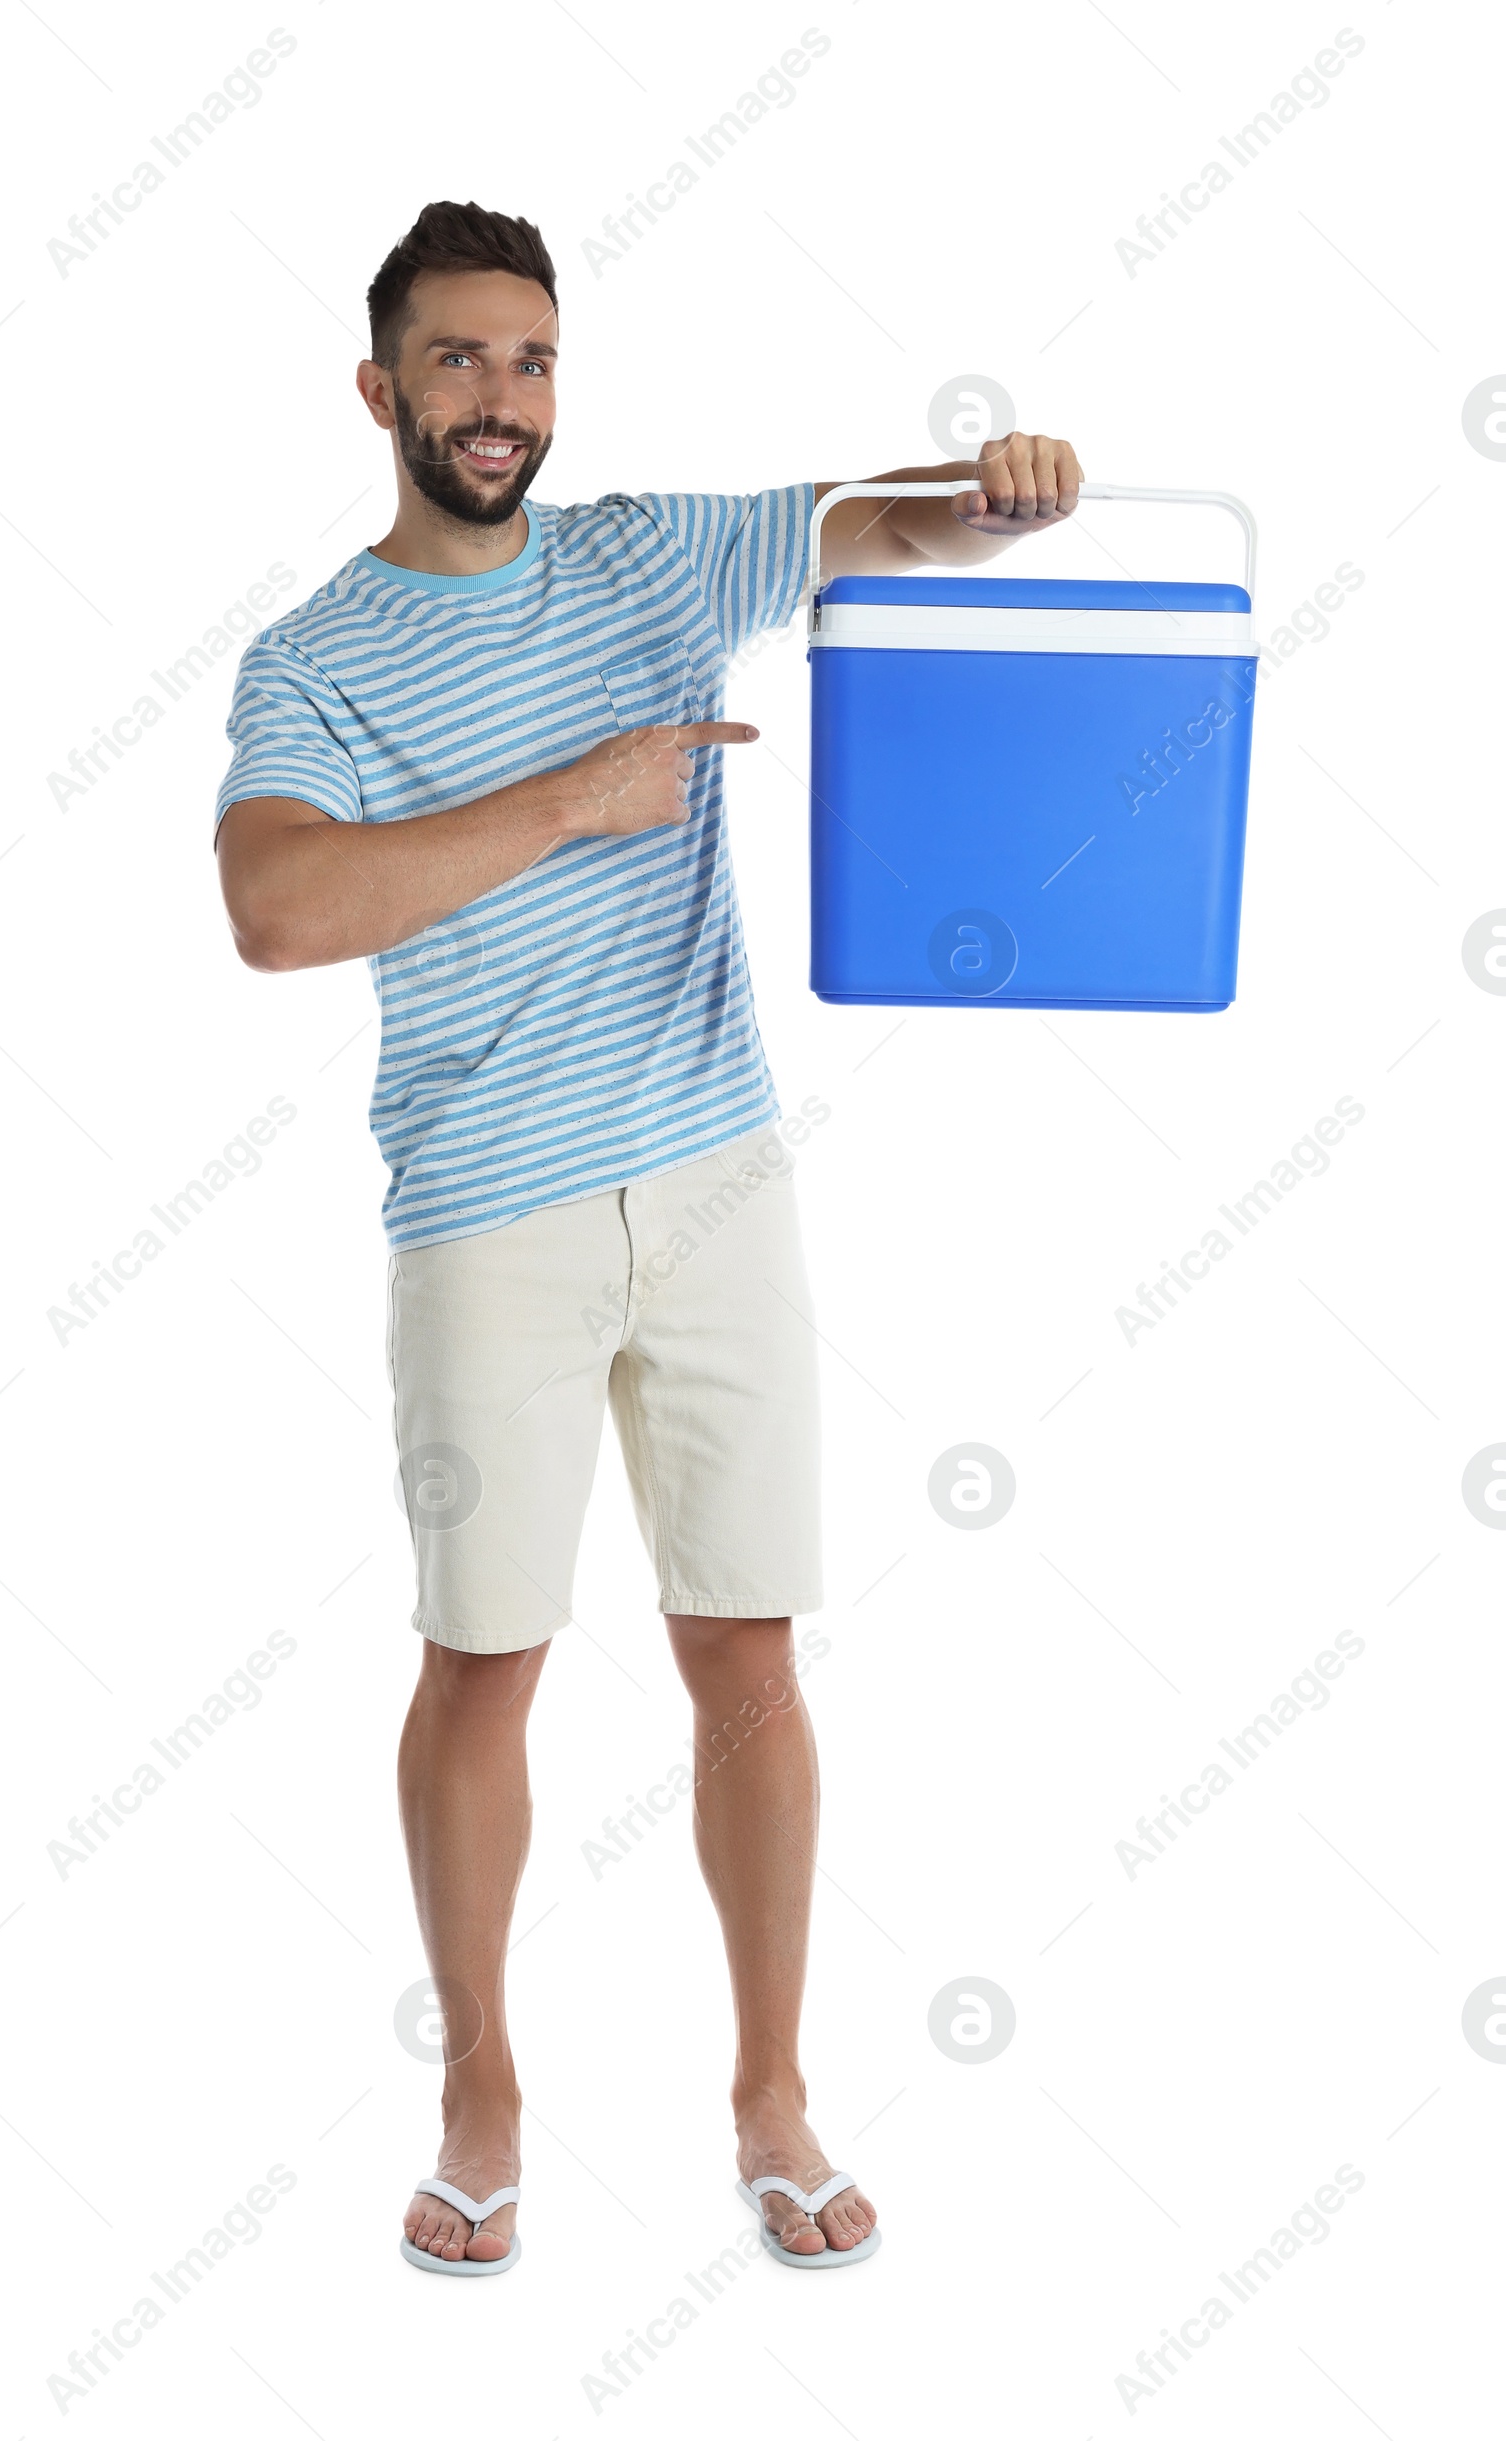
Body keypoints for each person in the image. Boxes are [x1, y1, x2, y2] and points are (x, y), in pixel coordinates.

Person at [214, 199, 1082, 2274]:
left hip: (711, 1180)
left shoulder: (643, 558)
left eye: (527, 360)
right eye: (455, 362)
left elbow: (893, 529)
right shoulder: (312, 658)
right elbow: (275, 911)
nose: (497, 399)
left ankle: (768, 2092)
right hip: (483, 1217)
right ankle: (481, 2089)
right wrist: (567, 799)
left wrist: (1001, 489)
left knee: (749, 1652)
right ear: (378, 390)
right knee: (482, 1660)